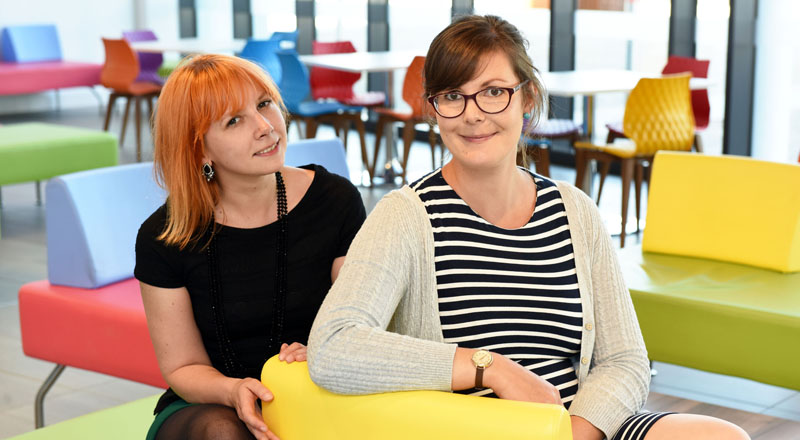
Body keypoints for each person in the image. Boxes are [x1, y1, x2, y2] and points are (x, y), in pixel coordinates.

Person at [308, 15, 749, 440]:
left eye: (494, 91)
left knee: (722, 435)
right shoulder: (405, 215)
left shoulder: (574, 210)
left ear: (528, 99)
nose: (473, 114)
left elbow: (626, 359)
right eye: (452, 96)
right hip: (475, 429)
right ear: (433, 109)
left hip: (580, 424)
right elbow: (333, 346)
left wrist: (574, 433)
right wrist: (490, 367)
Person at [135, 54, 366, 440]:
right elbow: (183, 367)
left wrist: (328, 351)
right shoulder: (165, 236)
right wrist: (233, 389)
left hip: (321, 389)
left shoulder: (334, 200)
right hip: (210, 403)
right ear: (200, 149)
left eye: (264, 104)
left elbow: (358, 319)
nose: (265, 127)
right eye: (234, 120)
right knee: (224, 432)